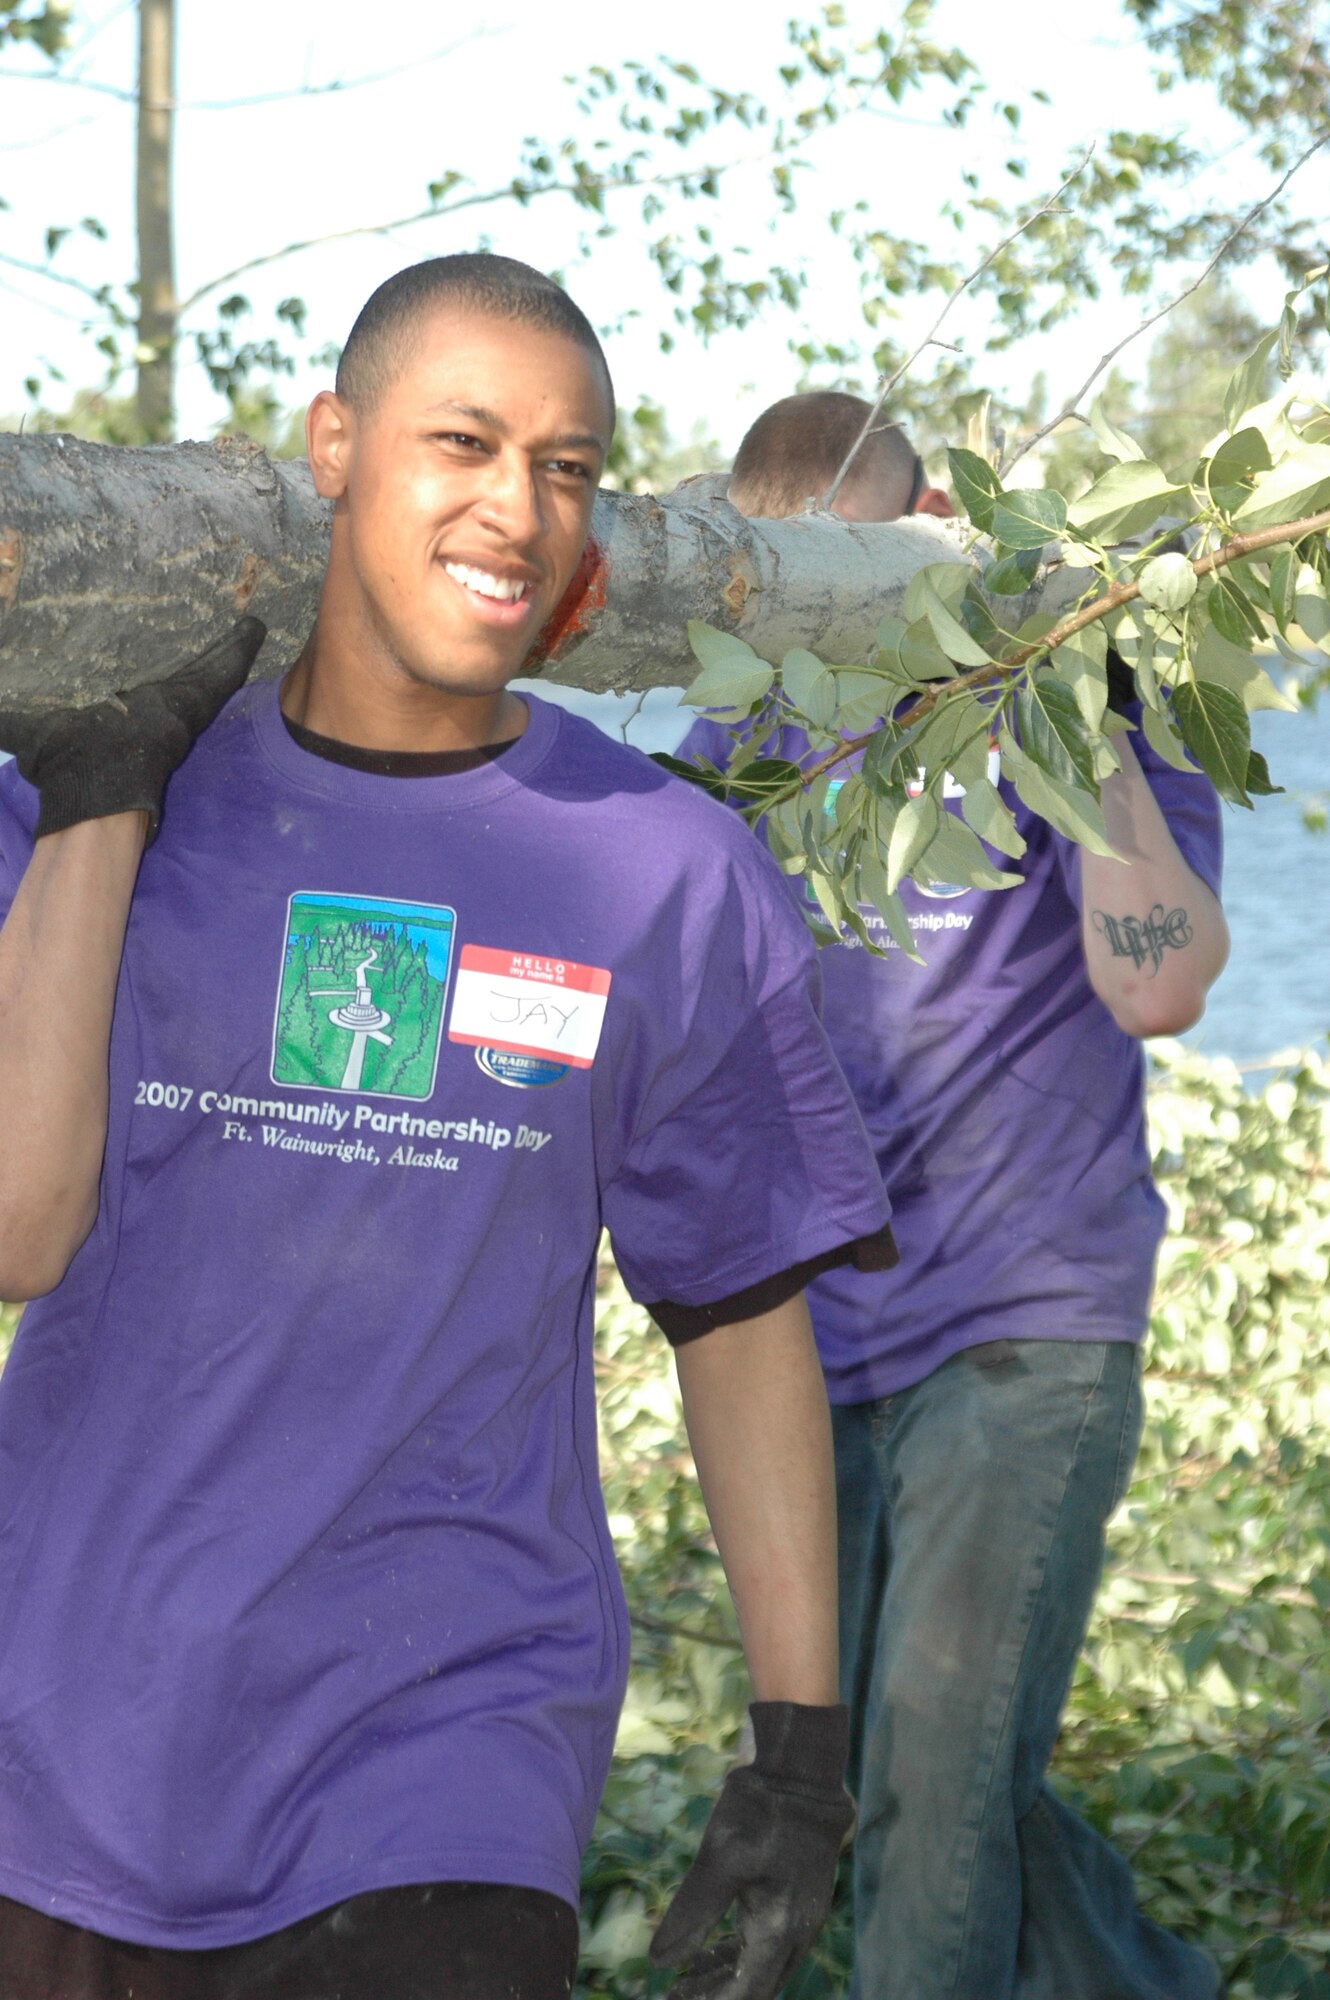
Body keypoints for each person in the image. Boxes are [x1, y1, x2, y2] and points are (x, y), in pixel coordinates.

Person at [0, 264, 898, 2000]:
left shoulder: (661, 872)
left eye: (568, 467)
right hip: (68, 1728)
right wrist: (107, 801)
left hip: (447, 1752)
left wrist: (798, 1753)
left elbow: (734, 1303)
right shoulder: (81, 789)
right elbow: (19, 1232)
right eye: (464, 442)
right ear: (335, 445)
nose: (518, 508)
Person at [679, 389, 1228, 1999]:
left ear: (929, 531)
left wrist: (1071, 688)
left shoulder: (1083, 702)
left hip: (1021, 1323)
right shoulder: (755, 728)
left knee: (932, 1802)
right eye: (786, 590)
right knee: (885, 1768)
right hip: (819, 1334)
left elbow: (1161, 991)